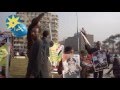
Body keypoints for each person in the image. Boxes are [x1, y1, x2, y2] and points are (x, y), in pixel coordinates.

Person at [26, 13, 45, 78]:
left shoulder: (38, 41)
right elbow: (35, 21)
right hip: (32, 62)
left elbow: (38, 59)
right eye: (38, 23)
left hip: (34, 65)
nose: (39, 24)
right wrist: (42, 14)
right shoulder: (31, 28)